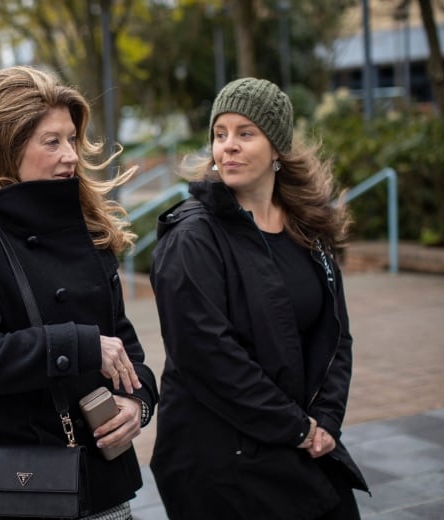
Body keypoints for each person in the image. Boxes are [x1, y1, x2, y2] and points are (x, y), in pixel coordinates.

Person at [0, 66, 158, 519]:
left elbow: (124, 344)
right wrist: (78, 345)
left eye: (71, 139)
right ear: (7, 147)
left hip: (106, 485)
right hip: (29, 485)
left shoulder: (88, 228)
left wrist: (139, 403)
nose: (70, 155)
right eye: (51, 142)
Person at [149, 77, 368, 519]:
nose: (228, 145)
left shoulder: (307, 227)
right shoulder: (192, 238)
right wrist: (296, 428)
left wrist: (326, 417)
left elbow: (335, 334)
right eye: (220, 133)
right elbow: (209, 357)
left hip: (296, 439)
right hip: (220, 461)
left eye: (245, 133)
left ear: (278, 149)